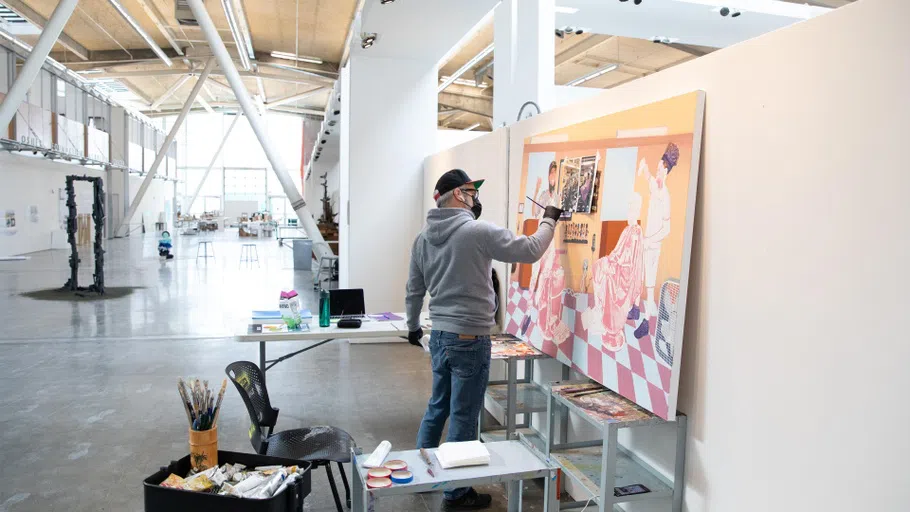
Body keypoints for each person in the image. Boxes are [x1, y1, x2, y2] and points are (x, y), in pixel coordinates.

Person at [406, 169, 562, 510]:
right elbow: (531, 249)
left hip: (440, 336)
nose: (476, 200)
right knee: (464, 416)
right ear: (460, 195)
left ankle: (420, 473)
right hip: (470, 337)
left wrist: (412, 325)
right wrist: (549, 219)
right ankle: (456, 493)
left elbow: (414, 290)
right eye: (472, 194)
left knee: (438, 406)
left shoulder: (422, 239)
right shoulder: (477, 231)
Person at [638, 143, 680, 325]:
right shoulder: (656, 188)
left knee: (650, 279)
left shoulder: (666, 197)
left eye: (658, 169)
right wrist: (644, 169)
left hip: (654, 244)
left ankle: (647, 321)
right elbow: (648, 179)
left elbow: (667, 229)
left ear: (665, 171)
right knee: (645, 277)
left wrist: (650, 240)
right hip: (647, 241)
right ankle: (645, 311)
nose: (655, 172)